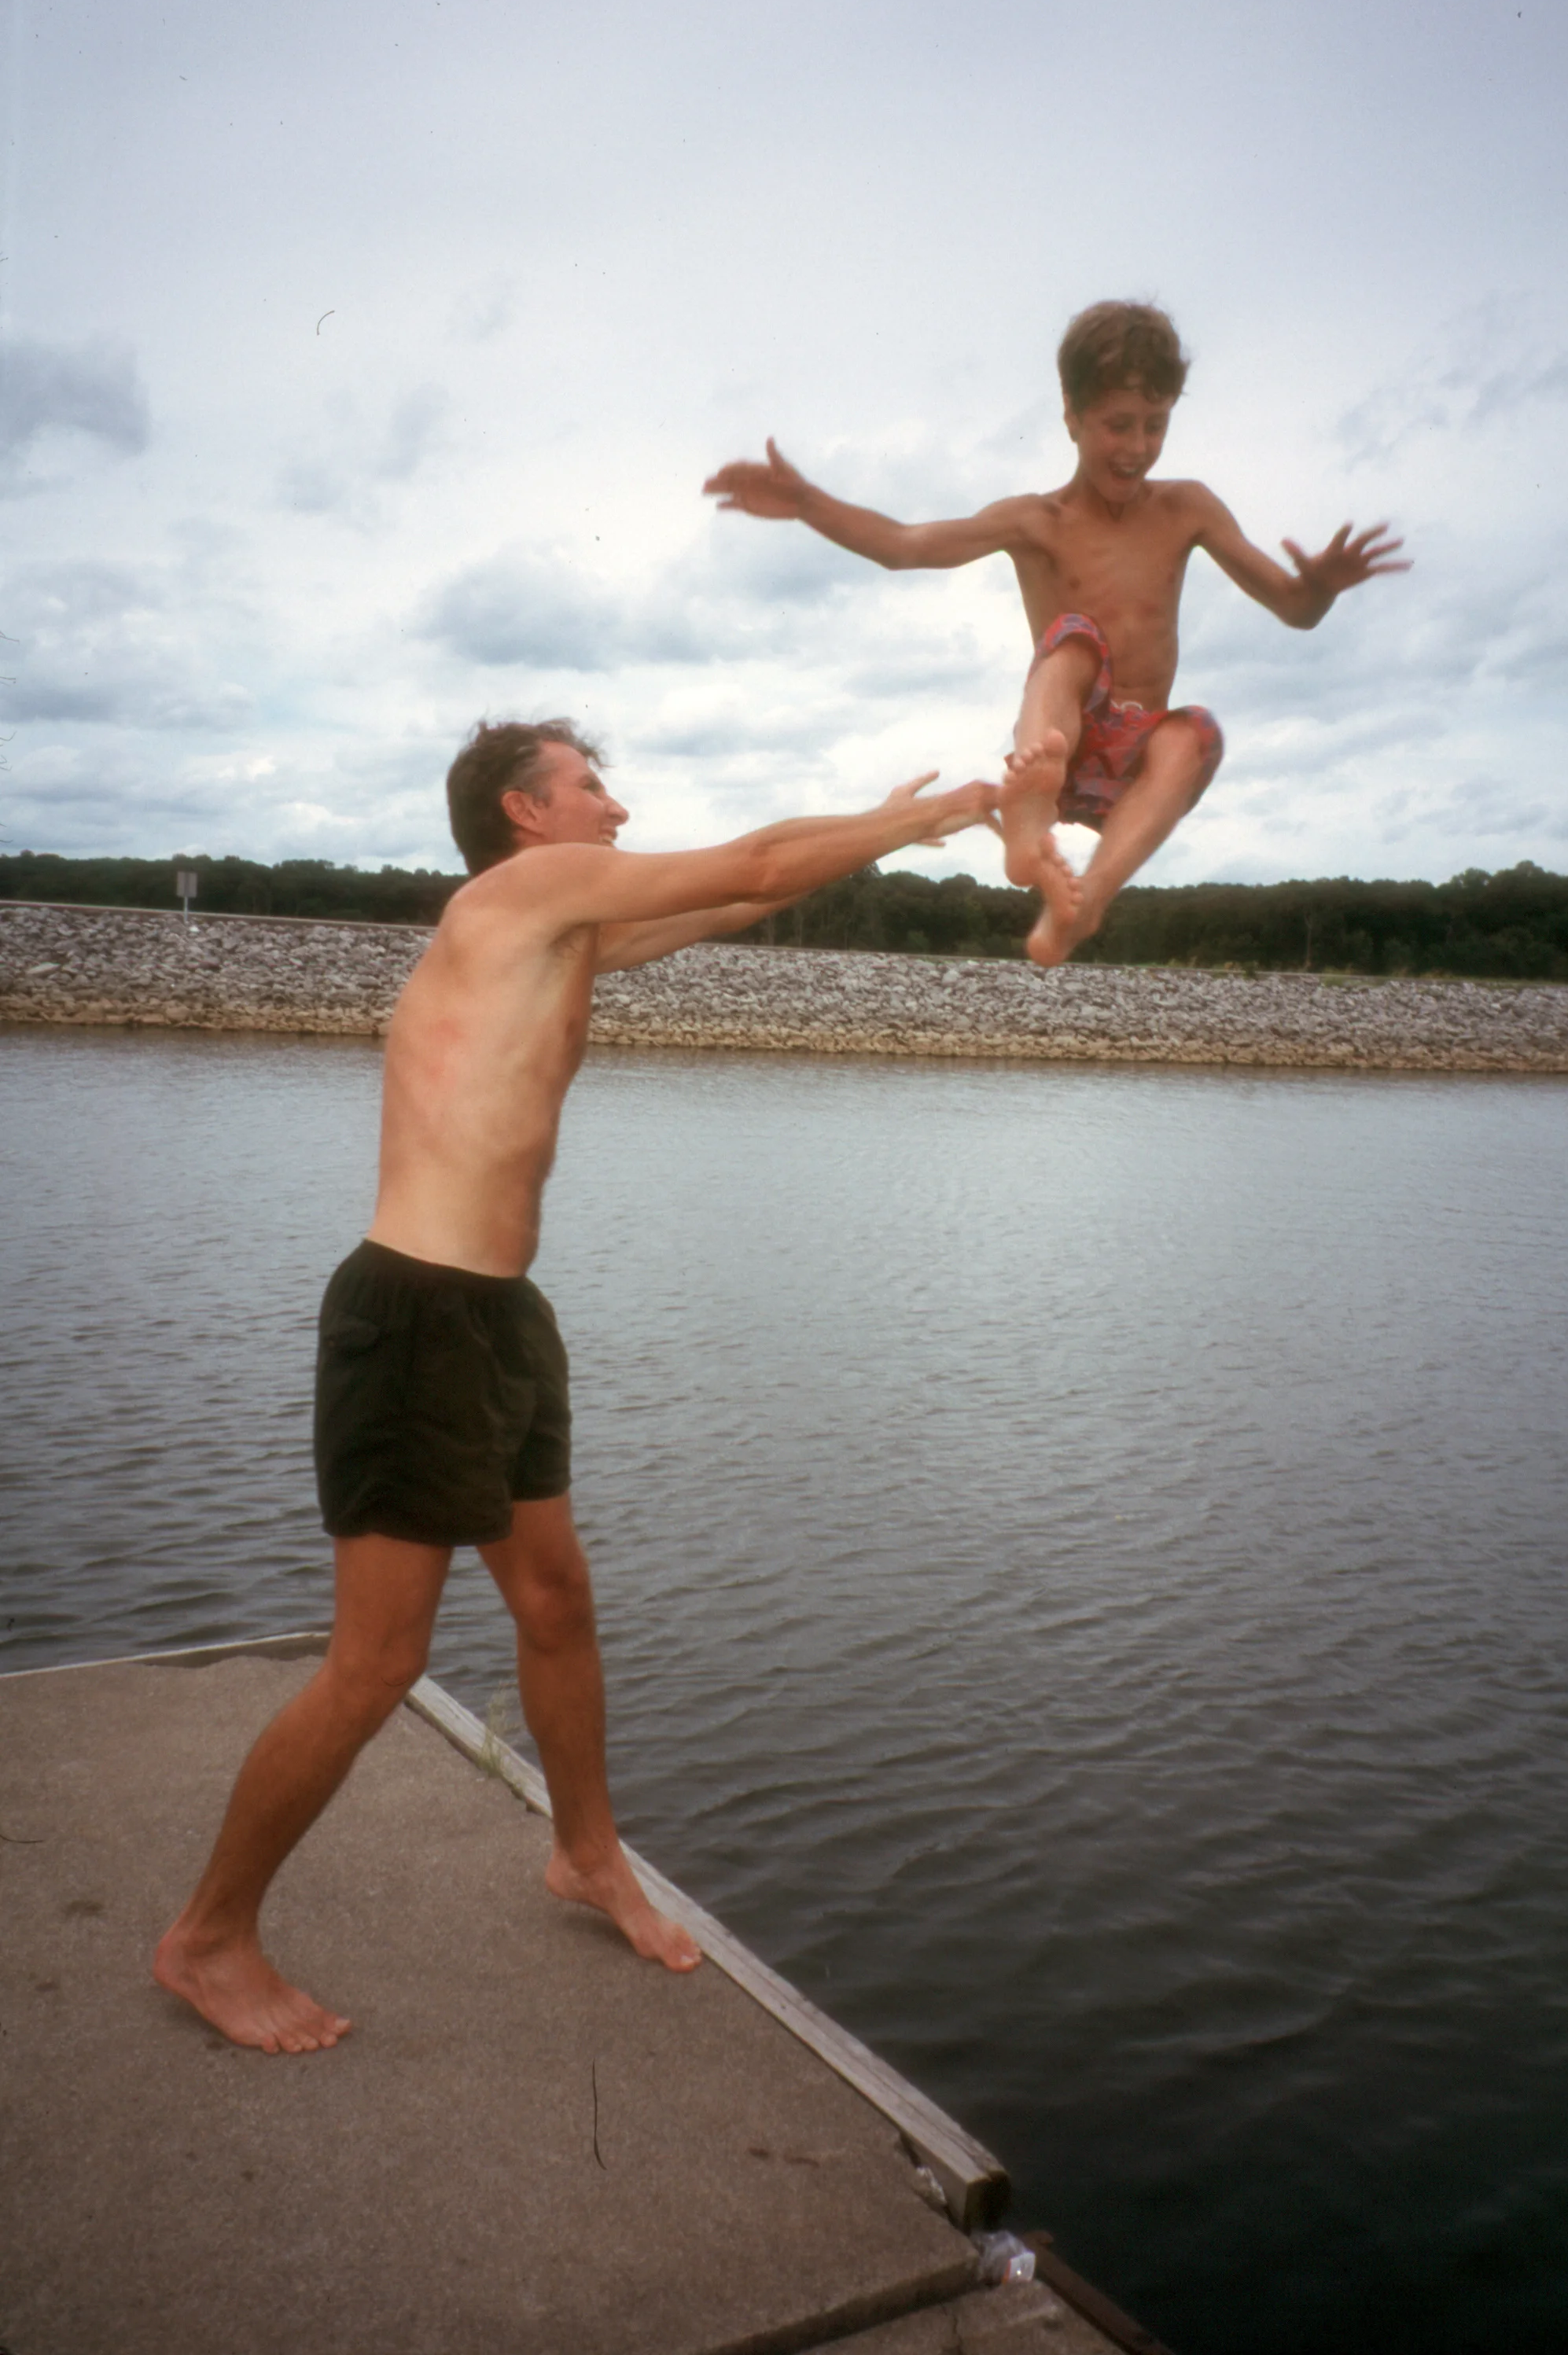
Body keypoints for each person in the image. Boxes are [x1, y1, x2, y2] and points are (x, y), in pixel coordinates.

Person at [153, 719, 1000, 2055]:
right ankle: (207, 1937)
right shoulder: (519, 895)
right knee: (376, 1664)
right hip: (418, 1314)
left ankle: (587, 1853)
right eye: (592, 786)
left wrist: (873, 826)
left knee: (556, 1603)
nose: (617, 807)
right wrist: (928, 818)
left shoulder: (560, 934)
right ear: (524, 812)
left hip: (499, 1314)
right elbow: (752, 858)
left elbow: (748, 891)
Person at [704, 300, 1409, 966]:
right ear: (1071, 414)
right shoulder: (1036, 522)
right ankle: (1029, 821)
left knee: (1196, 733)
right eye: (1118, 424)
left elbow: (1294, 609)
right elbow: (905, 545)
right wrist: (808, 502)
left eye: (1155, 425)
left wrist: (1320, 586)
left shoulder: (1188, 508)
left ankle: (1083, 906)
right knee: (1075, 638)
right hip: (1056, 741)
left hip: (1133, 763)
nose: (1138, 447)